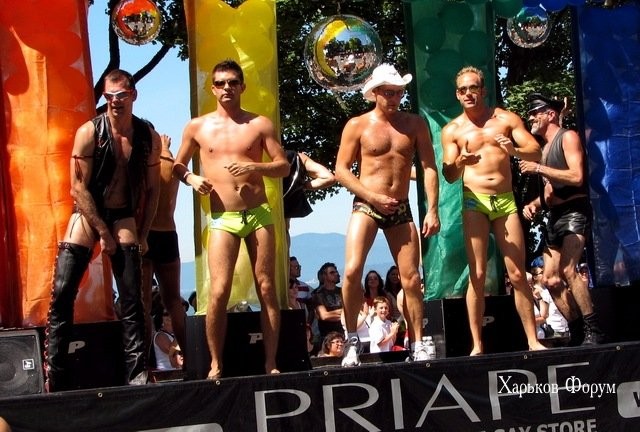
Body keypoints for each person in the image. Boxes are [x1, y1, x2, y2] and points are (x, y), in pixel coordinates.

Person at [172, 59, 289, 379]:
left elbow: (282, 166)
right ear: (212, 88)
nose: (227, 88)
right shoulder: (197, 127)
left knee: (266, 286)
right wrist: (192, 178)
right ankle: (215, 363)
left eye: (233, 82)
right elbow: (178, 165)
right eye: (221, 83)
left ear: (242, 87)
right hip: (223, 216)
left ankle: (270, 362)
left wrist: (254, 166)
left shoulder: (259, 124)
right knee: (219, 289)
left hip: (258, 213)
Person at [45, 69, 161, 390]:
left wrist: (143, 233)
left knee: (132, 297)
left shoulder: (146, 136)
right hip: (89, 210)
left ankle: (137, 373)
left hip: (123, 213)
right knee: (63, 292)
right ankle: (55, 375)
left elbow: (154, 189)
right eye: (109, 96)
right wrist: (103, 232)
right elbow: (77, 188)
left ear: (133, 95)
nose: (114, 102)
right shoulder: (90, 132)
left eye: (120, 96)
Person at [335, 63, 441, 367]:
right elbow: (341, 170)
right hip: (367, 203)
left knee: (412, 277)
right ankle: (352, 339)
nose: (394, 98)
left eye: (398, 92)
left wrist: (432, 209)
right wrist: (372, 197)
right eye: (389, 93)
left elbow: (429, 167)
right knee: (352, 271)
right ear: (375, 93)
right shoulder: (357, 125)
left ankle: (418, 342)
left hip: (400, 207)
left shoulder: (415, 124)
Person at [441, 66, 546, 355]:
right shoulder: (452, 130)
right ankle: (477, 345)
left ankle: (533, 340)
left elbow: (536, 151)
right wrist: (460, 162)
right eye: (463, 90)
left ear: (483, 90)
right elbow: (449, 174)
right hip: (475, 200)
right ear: (457, 95)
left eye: (473, 88)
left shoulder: (506, 119)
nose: (468, 94)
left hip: (505, 199)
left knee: (518, 273)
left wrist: (514, 151)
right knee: (477, 274)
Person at [519, 93, 604, 345]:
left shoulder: (568, 137)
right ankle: (576, 329)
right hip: (554, 215)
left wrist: (538, 168)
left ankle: (594, 329)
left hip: (575, 210)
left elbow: (577, 176)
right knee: (549, 279)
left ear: (550, 114)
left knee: (568, 269)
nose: (530, 118)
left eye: (535, 113)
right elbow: (550, 192)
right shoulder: (545, 148)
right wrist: (533, 204)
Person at [142, 132, 186, 360]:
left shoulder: (143, 164)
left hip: (146, 232)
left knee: (143, 304)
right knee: (174, 301)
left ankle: (143, 361)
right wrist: (166, 147)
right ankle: (188, 355)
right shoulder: (170, 162)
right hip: (168, 232)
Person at [283, 150, 335, 240]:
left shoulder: (259, 159)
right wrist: (302, 185)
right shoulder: (298, 158)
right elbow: (328, 178)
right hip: (283, 228)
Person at [311, 262, 344, 339]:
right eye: (332, 273)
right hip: (327, 337)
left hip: (344, 334)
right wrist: (344, 314)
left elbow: (350, 311)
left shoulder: (342, 291)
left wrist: (332, 314)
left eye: (336, 272)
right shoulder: (318, 294)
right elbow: (324, 316)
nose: (336, 274)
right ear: (324, 276)